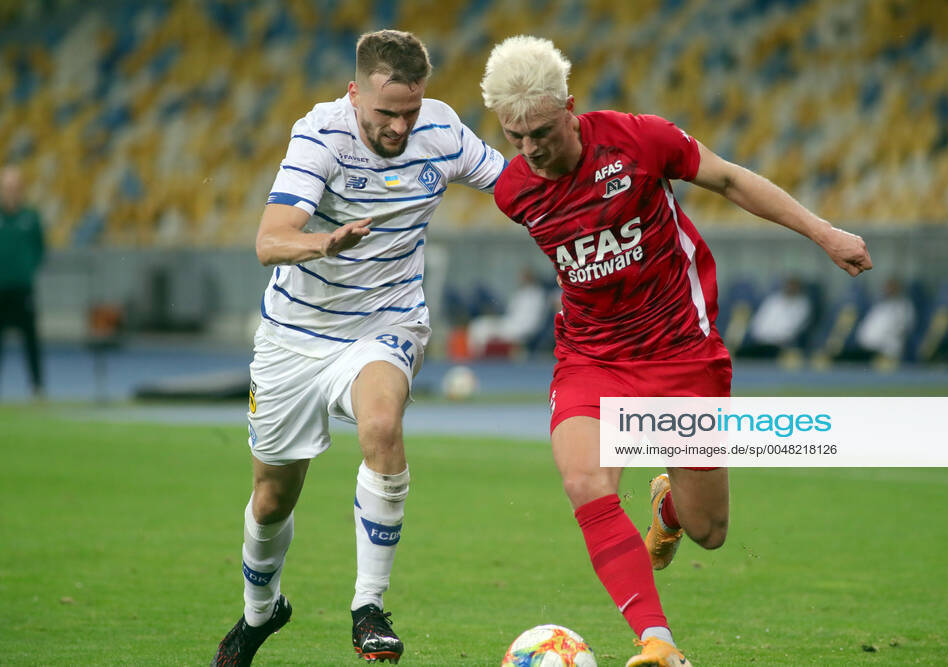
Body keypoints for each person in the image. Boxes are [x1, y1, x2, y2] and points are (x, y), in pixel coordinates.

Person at [481, 36, 871, 666]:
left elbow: (730, 179)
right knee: (584, 481)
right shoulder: (514, 192)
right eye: (514, 135)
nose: (530, 148)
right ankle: (658, 642)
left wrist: (824, 234)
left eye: (542, 131)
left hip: (680, 350)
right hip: (591, 357)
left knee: (709, 531)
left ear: (570, 109)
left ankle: (669, 506)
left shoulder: (639, 141)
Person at [211, 30, 505, 666]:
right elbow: (269, 240)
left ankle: (368, 608)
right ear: (355, 93)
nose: (400, 126)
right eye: (386, 113)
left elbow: (519, 189)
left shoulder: (443, 131)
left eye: (410, 111)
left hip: (385, 321)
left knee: (381, 423)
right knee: (272, 498)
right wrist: (325, 241)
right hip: (295, 336)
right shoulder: (320, 135)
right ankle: (261, 612)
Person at [0, 165, 46, 399]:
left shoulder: (31, 217)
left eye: (15, 186)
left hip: (23, 288)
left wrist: (27, 268)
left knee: (31, 340)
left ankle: (37, 386)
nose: (11, 191)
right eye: (7, 186)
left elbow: (40, 248)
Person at [466, 266, 550, 356]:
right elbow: (510, 314)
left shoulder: (538, 295)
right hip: (510, 324)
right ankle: (476, 355)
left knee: (482, 328)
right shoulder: (520, 293)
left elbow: (532, 322)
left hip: (519, 329)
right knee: (478, 325)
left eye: (524, 276)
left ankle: (478, 356)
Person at [741, 275, 813, 357]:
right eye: (789, 285)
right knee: (741, 354)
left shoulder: (802, 305)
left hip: (780, 346)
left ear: (799, 288)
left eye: (794, 285)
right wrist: (762, 337)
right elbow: (758, 322)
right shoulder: (773, 300)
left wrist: (774, 338)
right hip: (759, 342)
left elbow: (793, 330)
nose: (790, 288)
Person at [854, 276, 915, 361]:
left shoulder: (904, 307)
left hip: (887, 352)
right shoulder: (879, 305)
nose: (888, 290)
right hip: (865, 350)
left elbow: (901, 331)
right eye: (887, 287)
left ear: (898, 289)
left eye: (891, 287)